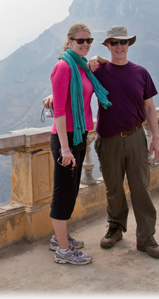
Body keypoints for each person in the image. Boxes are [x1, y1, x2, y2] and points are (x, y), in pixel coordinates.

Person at [88, 25, 159, 259]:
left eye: (123, 42)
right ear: (108, 45)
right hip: (108, 139)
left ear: (129, 44)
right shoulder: (98, 71)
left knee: (141, 187)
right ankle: (116, 227)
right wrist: (52, 97)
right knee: (113, 188)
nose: (119, 46)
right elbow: (73, 83)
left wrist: (156, 138)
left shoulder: (141, 72)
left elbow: (149, 107)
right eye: (114, 43)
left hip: (135, 137)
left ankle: (146, 237)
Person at [48, 23, 112, 266]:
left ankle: (59, 238)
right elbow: (61, 111)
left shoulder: (82, 66)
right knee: (63, 192)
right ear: (70, 41)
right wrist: (64, 149)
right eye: (80, 40)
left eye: (89, 40)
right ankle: (63, 251)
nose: (85, 44)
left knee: (72, 190)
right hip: (67, 138)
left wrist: (97, 57)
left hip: (80, 134)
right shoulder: (64, 67)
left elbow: (109, 64)